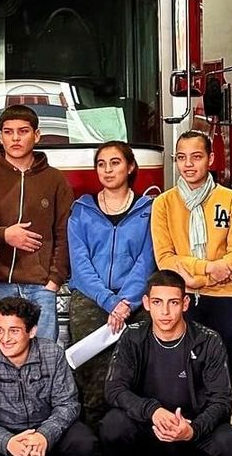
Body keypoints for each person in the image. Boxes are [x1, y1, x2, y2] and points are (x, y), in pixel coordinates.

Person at [100, 270, 232, 456]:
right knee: (113, 426)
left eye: (173, 302)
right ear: (146, 303)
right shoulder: (133, 337)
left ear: (185, 304)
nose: (165, 312)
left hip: (193, 429)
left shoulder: (208, 340)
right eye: (157, 302)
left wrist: (193, 429)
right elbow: (114, 389)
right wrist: (153, 411)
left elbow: (222, 400)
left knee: (230, 441)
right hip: (148, 425)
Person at [66, 141, 155, 424]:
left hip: (135, 302)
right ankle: (92, 432)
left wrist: (126, 302)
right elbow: (80, 266)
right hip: (91, 300)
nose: (107, 170)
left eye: (115, 162)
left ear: (130, 167)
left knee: (136, 369)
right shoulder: (81, 210)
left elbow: (146, 261)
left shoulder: (149, 210)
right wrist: (110, 302)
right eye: (101, 164)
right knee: (91, 374)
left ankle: (130, 431)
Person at [0, 105, 74, 341]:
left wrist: (54, 280)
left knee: (44, 357)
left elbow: (64, 232)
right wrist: (3, 234)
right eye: (8, 132)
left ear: (36, 135)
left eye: (23, 131)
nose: (15, 138)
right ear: (0, 137)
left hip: (41, 288)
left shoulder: (56, 180)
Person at [151, 130, 232, 380]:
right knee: (183, 372)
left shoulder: (230, 199)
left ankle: (220, 420)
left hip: (224, 296)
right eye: (181, 158)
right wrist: (206, 269)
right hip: (181, 296)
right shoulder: (163, 203)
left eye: (196, 157)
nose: (188, 164)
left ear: (211, 158)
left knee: (222, 369)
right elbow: (165, 258)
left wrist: (198, 279)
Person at [0, 297, 96, 456]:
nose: (5, 339)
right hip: (2, 431)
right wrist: (6, 441)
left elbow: (67, 404)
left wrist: (44, 435)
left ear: (31, 331)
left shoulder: (52, 353)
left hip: (46, 428)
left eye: (14, 331)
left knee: (83, 441)